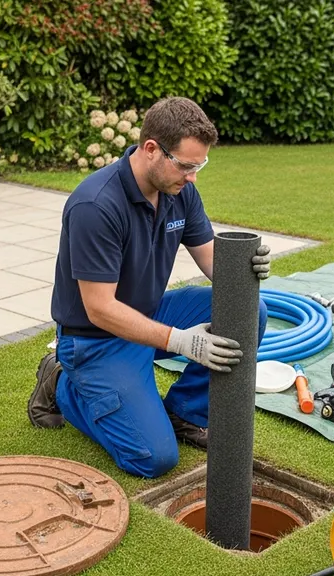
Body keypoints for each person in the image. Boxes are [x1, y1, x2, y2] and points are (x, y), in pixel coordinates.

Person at [26, 96, 271, 479]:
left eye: (200, 166)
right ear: (152, 149)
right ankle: (59, 382)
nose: (193, 178)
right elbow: (100, 309)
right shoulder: (96, 205)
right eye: (187, 166)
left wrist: (243, 270)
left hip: (148, 313)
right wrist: (182, 341)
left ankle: (184, 412)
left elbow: (210, 259)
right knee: (152, 458)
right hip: (95, 340)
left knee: (247, 310)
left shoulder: (179, 191)